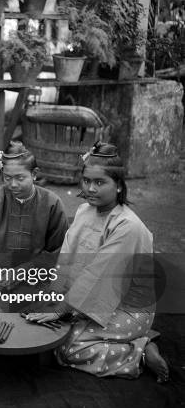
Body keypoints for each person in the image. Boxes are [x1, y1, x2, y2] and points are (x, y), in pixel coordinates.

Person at [28, 142, 169, 382]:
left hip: (126, 308)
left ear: (119, 186)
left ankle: (139, 351)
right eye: (86, 181)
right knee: (39, 321)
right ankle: (121, 337)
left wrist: (62, 309)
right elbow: (68, 258)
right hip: (88, 298)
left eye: (100, 182)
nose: (91, 189)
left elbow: (100, 275)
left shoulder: (128, 226)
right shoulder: (84, 210)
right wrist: (54, 294)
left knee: (66, 345)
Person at [0, 141, 69, 292]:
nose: (13, 184)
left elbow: (58, 249)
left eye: (20, 178)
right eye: (7, 178)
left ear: (34, 174)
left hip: (37, 275)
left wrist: (26, 269)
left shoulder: (52, 203)